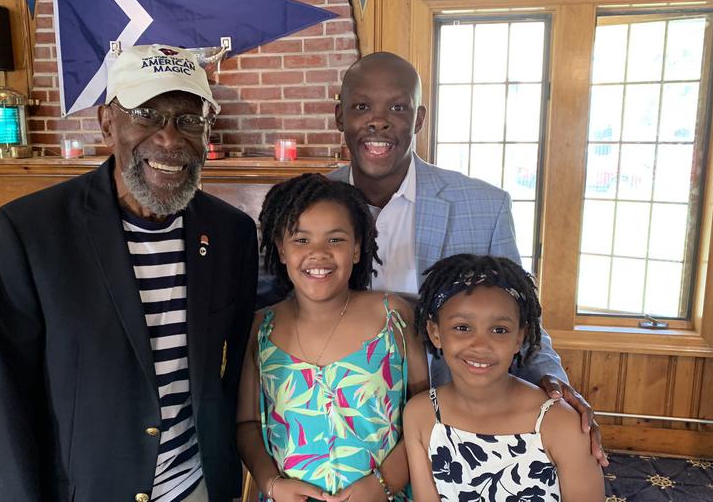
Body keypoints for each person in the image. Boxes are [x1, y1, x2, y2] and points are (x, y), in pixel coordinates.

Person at [0, 44, 258, 502]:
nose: (169, 139)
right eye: (146, 115)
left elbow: (236, 368)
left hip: (196, 486)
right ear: (108, 122)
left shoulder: (231, 234)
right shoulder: (27, 233)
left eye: (189, 120)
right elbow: (1, 398)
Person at [330, 51, 607, 465]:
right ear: (340, 116)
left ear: (419, 119)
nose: (379, 120)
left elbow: (520, 317)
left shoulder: (483, 205)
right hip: (341, 423)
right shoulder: (307, 205)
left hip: (453, 424)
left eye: (398, 107)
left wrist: (552, 379)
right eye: (362, 106)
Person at [236, 173, 428, 501]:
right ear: (281, 249)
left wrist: (384, 484)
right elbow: (248, 423)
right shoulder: (261, 328)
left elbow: (426, 414)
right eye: (301, 240)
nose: (319, 253)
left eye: (336, 240)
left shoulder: (392, 316)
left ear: (357, 248)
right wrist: (272, 484)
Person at [404, 254, 604, 501]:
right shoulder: (420, 415)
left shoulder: (560, 424)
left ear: (520, 337)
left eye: (499, 330)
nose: (480, 345)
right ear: (435, 332)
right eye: (462, 327)